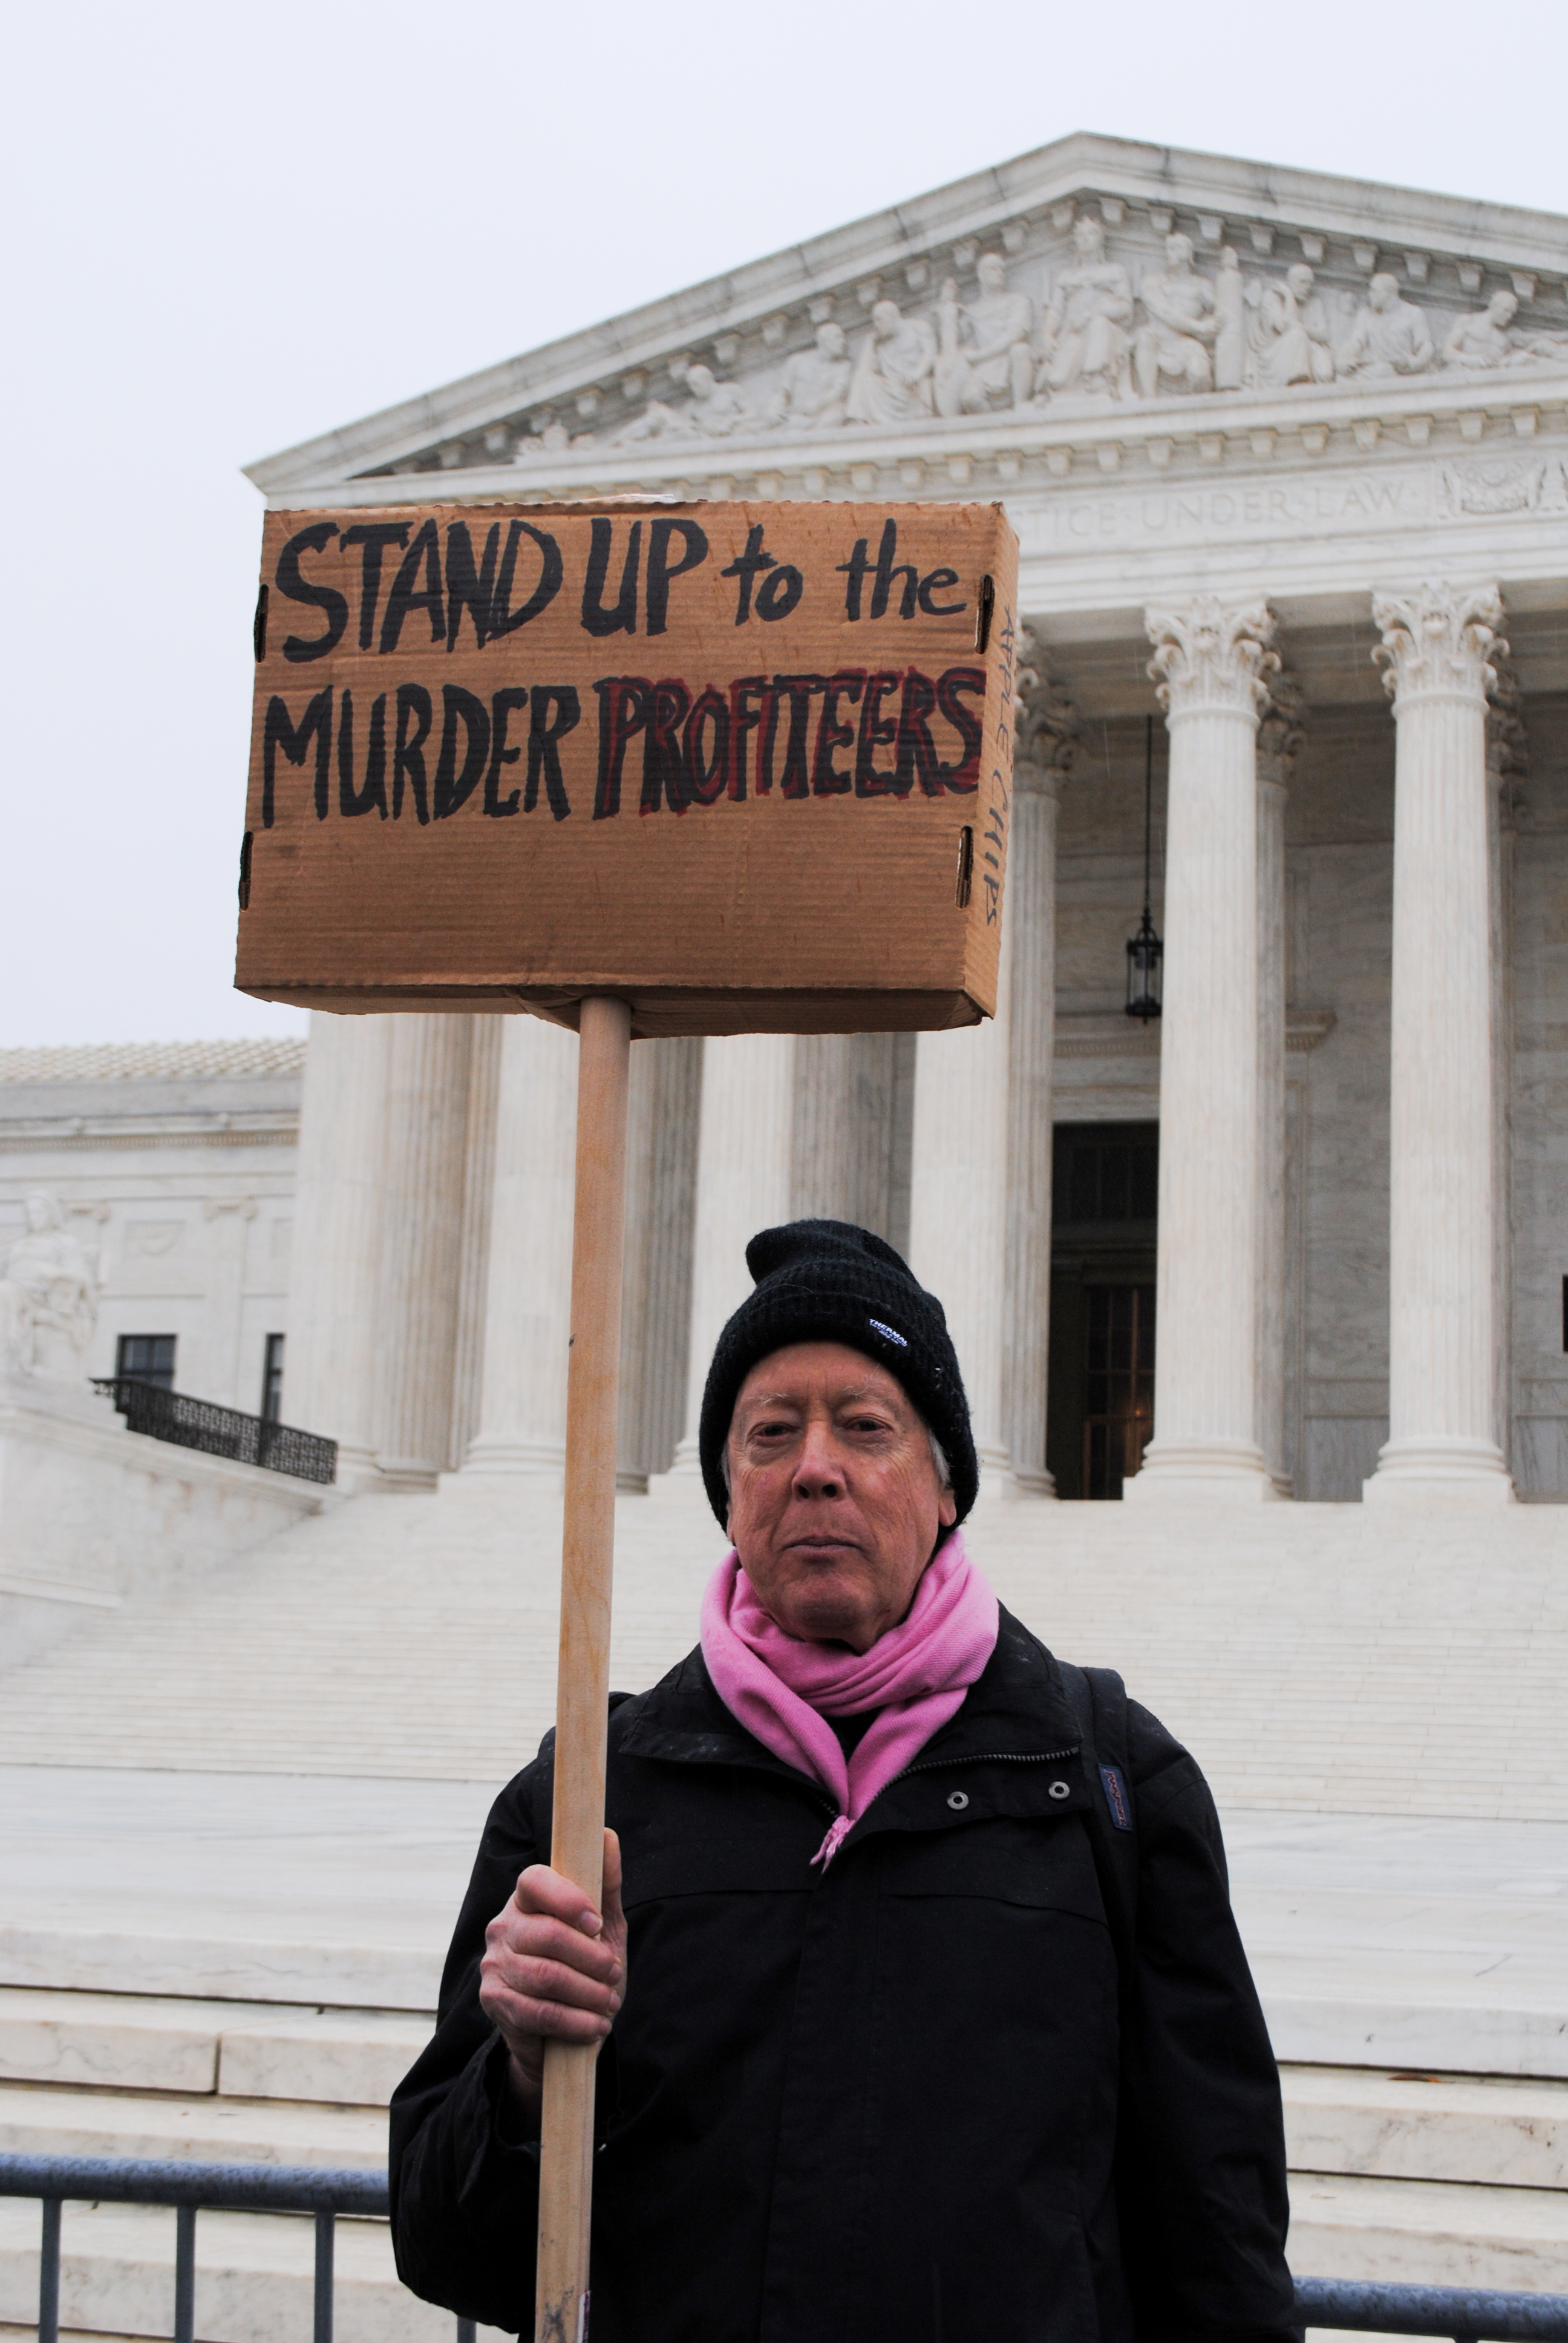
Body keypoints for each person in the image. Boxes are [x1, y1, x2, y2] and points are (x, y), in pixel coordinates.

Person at [390, 1221, 1299, 2342]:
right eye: (770, 1432)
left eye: (866, 1427)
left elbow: (1220, 2235)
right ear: (729, 1489)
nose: (814, 1465)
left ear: (947, 1483)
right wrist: (521, 2080)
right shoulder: (587, 1799)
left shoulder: (1112, 1782)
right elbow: (444, 2246)